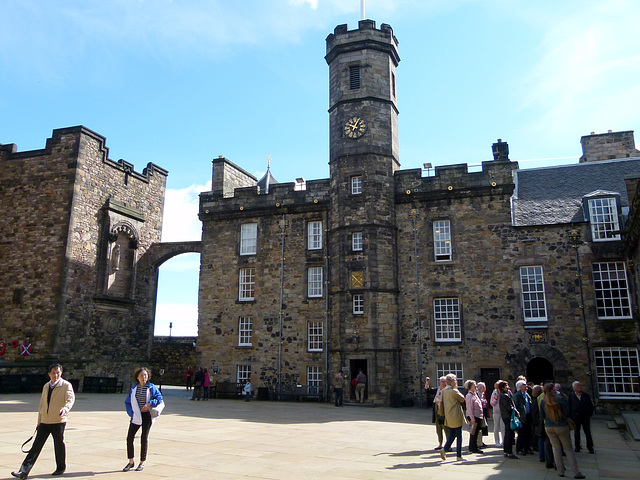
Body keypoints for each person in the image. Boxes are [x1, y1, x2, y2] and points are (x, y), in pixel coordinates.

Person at [12, 364, 75, 479]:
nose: (56, 375)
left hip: (58, 420)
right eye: (53, 373)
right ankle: (23, 471)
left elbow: (70, 399)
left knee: (58, 444)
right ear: (49, 374)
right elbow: (42, 404)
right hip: (45, 421)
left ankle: (60, 467)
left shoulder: (66, 385)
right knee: (36, 446)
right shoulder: (46, 386)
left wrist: (65, 409)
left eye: (58, 372)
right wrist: (39, 420)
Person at [540, 383, 585, 479]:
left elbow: (542, 416)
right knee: (568, 449)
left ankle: (560, 471)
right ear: (552, 390)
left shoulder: (543, 401)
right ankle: (576, 472)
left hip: (548, 427)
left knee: (556, 449)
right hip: (561, 426)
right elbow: (567, 412)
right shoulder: (560, 399)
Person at [123, 367, 163, 472]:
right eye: (141, 375)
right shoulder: (134, 389)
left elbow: (159, 398)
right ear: (137, 377)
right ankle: (131, 462)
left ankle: (142, 462)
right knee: (129, 438)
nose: (144, 377)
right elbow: (127, 402)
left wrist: (150, 403)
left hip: (146, 415)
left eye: (145, 375)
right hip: (136, 415)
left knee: (143, 438)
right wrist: (131, 413)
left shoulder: (151, 387)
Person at [440, 373, 467, 462]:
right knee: (459, 436)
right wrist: (456, 389)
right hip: (456, 414)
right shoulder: (453, 391)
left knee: (452, 434)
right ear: (452, 382)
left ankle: (444, 449)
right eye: (455, 380)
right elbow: (462, 398)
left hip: (448, 415)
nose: (456, 381)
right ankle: (459, 455)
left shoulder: (444, 391)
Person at [568, 381, 594, 454]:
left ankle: (590, 447)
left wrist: (589, 415)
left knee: (587, 433)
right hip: (576, 417)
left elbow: (590, 406)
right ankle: (577, 446)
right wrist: (571, 416)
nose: (580, 387)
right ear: (574, 388)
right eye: (578, 386)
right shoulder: (571, 396)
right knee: (576, 433)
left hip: (585, 417)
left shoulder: (586, 395)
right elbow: (569, 406)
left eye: (580, 386)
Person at [498, 380, 520, 459]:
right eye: (507, 386)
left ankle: (507, 451)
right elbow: (509, 407)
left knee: (508, 434)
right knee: (509, 434)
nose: (508, 387)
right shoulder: (504, 395)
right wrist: (516, 411)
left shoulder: (503, 395)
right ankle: (509, 452)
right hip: (508, 417)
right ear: (503, 387)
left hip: (506, 416)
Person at [464, 380, 484, 454]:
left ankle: (472, 447)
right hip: (474, 416)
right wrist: (472, 419)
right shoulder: (469, 395)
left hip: (478, 416)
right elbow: (469, 408)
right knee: (474, 432)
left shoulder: (474, 394)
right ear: (470, 387)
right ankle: (473, 448)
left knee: (475, 432)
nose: (476, 386)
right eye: (474, 385)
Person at [513, 379, 533, 455]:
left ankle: (527, 448)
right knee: (521, 434)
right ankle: (519, 449)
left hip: (528, 415)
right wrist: (518, 416)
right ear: (520, 387)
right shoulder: (517, 395)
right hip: (521, 417)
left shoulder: (526, 394)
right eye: (524, 385)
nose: (526, 386)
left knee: (528, 433)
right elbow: (515, 406)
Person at [432, 376, 450, 450]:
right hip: (437, 410)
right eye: (440, 381)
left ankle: (448, 445)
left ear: (445, 383)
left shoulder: (447, 390)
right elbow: (428, 390)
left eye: (442, 381)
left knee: (446, 429)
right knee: (438, 429)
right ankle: (440, 444)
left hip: (444, 411)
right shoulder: (438, 389)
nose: (440, 382)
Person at [490, 380, 504, 447]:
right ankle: (497, 441)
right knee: (496, 427)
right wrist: (495, 399)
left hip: (503, 411)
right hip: (496, 412)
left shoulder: (503, 392)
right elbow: (492, 403)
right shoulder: (494, 392)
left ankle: (504, 441)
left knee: (503, 427)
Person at [477, 382, 488, 448]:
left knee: (483, 427)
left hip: (483, 411)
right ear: (480, 388)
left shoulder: (482, 394)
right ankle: (479, 442)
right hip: (479, 412)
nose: (485, 388)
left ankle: (480, 441)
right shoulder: (477, 394)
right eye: (484, 387)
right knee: (479, 428)